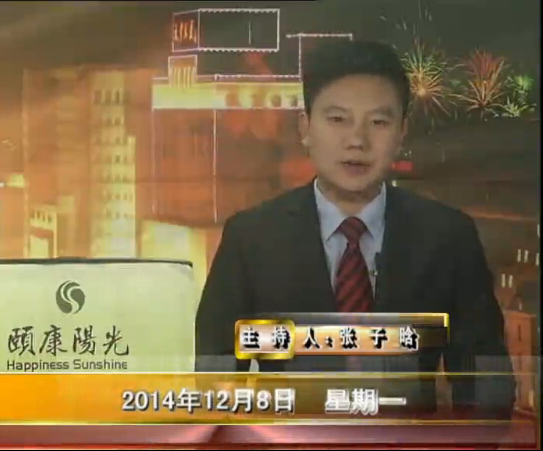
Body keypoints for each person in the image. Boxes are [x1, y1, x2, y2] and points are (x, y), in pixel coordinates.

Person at [195, 40, 515, 418]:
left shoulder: (448, 237)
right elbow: (214, 385)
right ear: (305, 128)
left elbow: (486, 387)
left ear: (402, 131)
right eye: (338, 119)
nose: (357, 141)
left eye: (378, 122)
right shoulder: (250, 239)